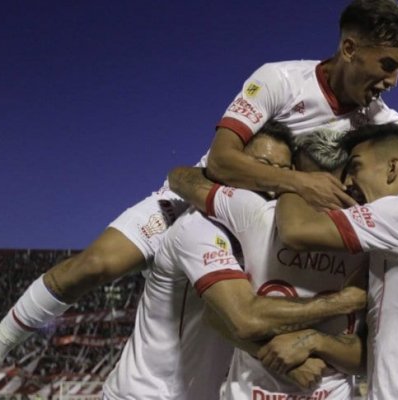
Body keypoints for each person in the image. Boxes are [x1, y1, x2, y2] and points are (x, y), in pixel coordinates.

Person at [0, 0, 398, 387]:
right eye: (387, 65)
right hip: (201, 194)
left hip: (253, 222)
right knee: (95, 265)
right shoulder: (281, 80)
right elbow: (223, 159)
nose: (393, 80)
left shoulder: (383, 123)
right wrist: (297, 182)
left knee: (239, 316)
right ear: (349, 48)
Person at [102, 122, 367, 399]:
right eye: (263, 165)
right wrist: (345, 301)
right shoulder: (200, 226)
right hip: (145, 394)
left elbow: (218, 319)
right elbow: (243, 317)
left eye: (283, 170)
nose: (271, 180)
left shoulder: (264, 225)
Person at [274, 123, 398, 399]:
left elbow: (295, 231)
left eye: (355, 167)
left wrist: (295, 179)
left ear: (392, 169)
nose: (347, 182)